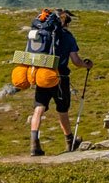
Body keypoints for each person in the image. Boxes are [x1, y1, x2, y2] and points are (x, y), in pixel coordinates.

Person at [30, 9, 93, 156]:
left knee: (39, 108)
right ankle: (70, 141)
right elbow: (76, 61)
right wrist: (86, 65)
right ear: (67, 23)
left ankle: (34, 145)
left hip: (42, 75)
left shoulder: (44, 35)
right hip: (60, 77)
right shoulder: (68, 37)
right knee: (62, 109)